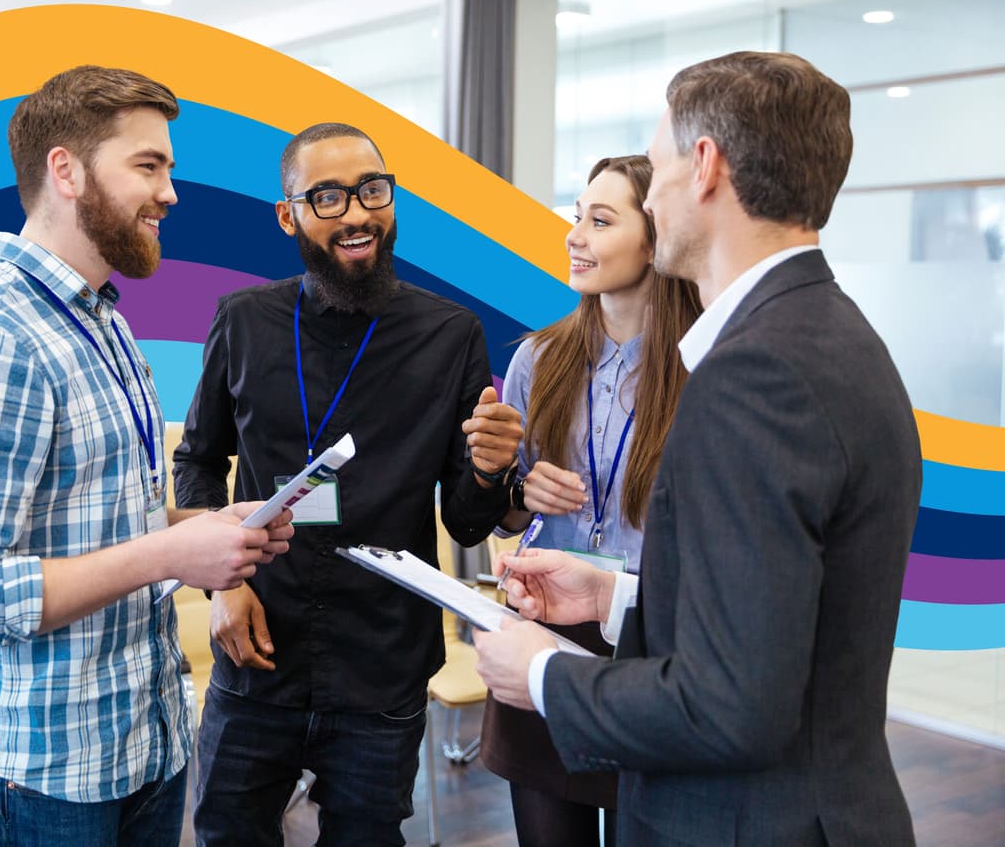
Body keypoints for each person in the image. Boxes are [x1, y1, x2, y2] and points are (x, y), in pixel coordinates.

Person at [474, 51, 922, 846]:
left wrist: (542, 673)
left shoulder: (754, 374)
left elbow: (732, 706)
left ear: (706, 166)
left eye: (658, 166)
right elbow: (777, 626)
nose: (654, 189)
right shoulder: (830, 333)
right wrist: (612, 599)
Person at [0, 65, 292, 846]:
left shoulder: (102, 320)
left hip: (140, 745)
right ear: (67, 171)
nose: (171, 193)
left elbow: (103, 519)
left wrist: (209, 527)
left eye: (169, 169)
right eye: (148, 166)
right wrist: (167, 552)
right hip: (44, 774)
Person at [172, 121, 524, 846]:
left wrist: (489, 471)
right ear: (289, 215)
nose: (357, 213)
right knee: (227, 833)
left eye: (372, 190)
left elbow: (463, 522)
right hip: (257, 645)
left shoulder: (450, 334)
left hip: (382, 662)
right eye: (327, 197)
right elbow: (199, 462)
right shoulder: (243, 320)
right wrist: (224, 585)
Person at [481, 155, 700, 846]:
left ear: (656, 237)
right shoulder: (538, 360)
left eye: (600, 220)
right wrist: (513, 485)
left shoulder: (707, 371)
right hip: (547, 627)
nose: (575, 236)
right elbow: (506, 512)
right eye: (576, 217)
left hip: (651, 643)